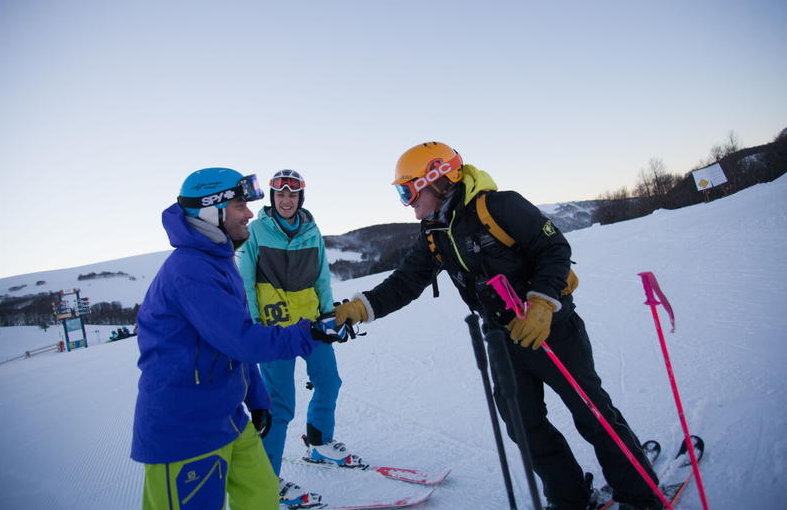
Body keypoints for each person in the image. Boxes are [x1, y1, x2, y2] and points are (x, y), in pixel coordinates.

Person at [333, 143, 662, 510]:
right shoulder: (435, 232)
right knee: (523, 424)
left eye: (407, 191)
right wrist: (360, 308)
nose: (407, 202)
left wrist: (541, 304)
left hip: (550, 327)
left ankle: (642, 496)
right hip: (501, 337)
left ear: (437, 180)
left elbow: (553, 248)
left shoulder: (500, 206)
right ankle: (570, 498)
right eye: (401, 193)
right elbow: (406, 281)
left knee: (592, 413)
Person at [131, 167, 340, 510]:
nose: (249, 213)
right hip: (186, 428)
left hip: (227, 416)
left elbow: (230, 345)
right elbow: (241, 339)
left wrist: (256, 398)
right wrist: (309, 332)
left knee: (260, 496)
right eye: (241, 204)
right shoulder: (190, 270)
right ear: (212, 210)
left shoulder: (218, 259)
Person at [237, 169, 364, 508]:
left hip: (310, 326)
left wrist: (329, 316)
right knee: (278, 406)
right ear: (273, 198)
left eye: (292, 194)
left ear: (300, 198)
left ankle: (319, 442)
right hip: (274, 331)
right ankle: (266, 479)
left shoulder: (311, 231)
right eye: (280, 194)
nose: (286, 199)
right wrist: (253, 324)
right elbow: (246, 281)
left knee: (329, 381)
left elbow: (322, 277)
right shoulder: (256, 233)